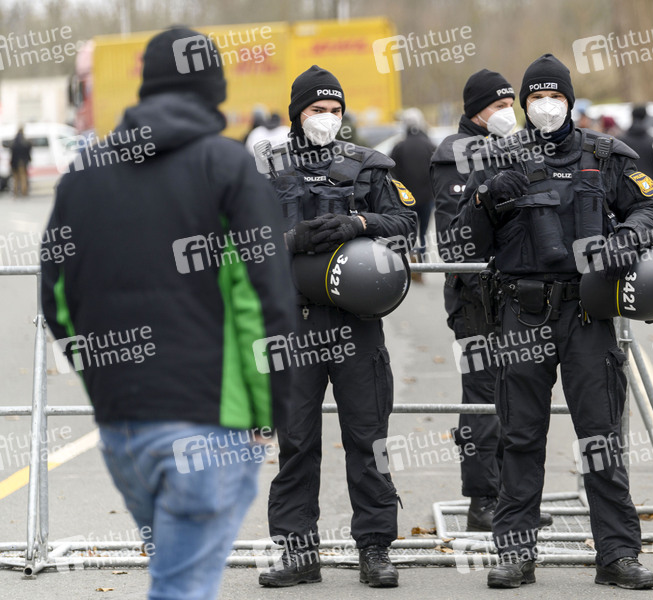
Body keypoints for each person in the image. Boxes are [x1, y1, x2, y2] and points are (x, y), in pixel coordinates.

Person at [40, 27, 294, 600]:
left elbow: (56, 298)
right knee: (181, 588)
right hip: (211, 425)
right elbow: (263, 303)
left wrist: (106, 384)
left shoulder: (83, 174)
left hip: (123, 430)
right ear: (214, 89)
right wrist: (268, 416)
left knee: (176, 575)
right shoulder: (228, 167)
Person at [453, 53, 653, 590]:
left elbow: (652, 210)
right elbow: (464, 241)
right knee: (520, 437)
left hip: (587, 312)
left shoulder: (604, 154)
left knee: (600, 437)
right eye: (536, 97)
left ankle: (617, 554)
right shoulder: (495, 157)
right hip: (520, 311)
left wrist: (626, 239)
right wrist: (485, 197)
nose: (546, 105)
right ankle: (515, 553)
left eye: (554, 96)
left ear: (569, 101)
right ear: (524, 103)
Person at [259, 65, 417, 589]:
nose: (326, 118)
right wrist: (290, 241)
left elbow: (408, 224)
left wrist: (360, 223)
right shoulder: (265, 170)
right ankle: (298, 552)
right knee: (296, 443)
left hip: (356, 326)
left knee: (369, 440)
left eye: (334, 110)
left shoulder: (368, 167)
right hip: (294, 326)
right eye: (315, 110)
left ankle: (375, 549)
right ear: (296, 115)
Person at [430, 68, 552, 532]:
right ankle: (482, 499)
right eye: (498, 106)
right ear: (476, 110)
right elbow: (455, 239)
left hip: (514, 292)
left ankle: (512, 496)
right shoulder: (454, 154)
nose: (508, 113)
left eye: (510, 105)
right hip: (475, 298)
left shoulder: (514, 146)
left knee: (516, 397)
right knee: (482, 397)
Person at [390, 108, 436, 279]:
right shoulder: (430, 146)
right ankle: (421, 266)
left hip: (405, 199)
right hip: (426, 198)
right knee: (423, 233)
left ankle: (409, 263)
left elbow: (391, 173)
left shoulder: (399, 147)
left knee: (408, 233)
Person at [619, 104, 653, 184]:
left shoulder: (620, 141)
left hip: (627, 185)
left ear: (632, 117)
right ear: (645, 118)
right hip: (650, 185)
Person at [10, 125, 31, 197]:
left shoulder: (14, 141)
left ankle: (15, 193)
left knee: (15, 178)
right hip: (23, 162)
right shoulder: (25, 141)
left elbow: (12, 153)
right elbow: (28, 151)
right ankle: (24, 192)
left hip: (14, 162)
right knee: (23, 178)